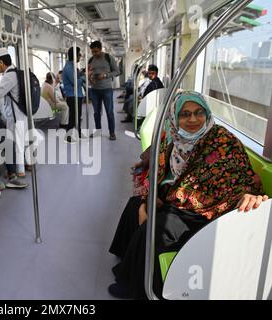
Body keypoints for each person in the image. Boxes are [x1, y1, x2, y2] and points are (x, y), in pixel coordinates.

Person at [108, 91, 268, 299]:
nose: (192, 119)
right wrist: (150, 197)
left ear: (207, 114)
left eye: (199, 112)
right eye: (185, 114)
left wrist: (250, 195)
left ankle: (135, 285)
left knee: (158, 225)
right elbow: (160, 165)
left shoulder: (223, 141)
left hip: (205, 213)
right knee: (134, 204)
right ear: (175, 118)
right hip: (177, 199)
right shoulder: (175, 138)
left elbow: (241, 180)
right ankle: (128, 259)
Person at [0, 47, 34, 183]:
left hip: (16, 117)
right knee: (23, 141)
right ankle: (28, 163)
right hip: (21, 114)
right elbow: (4, 91)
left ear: (2, 62)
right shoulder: (15, 73)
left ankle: (20, 171)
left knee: (17, 144)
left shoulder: (9, 75)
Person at [88, 41, 120, 140]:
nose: (95, 54)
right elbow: (88, 72)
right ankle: (98, 132)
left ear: (101, 49)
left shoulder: (108, 57)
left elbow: (117, 71)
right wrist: (90, 78)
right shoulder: (91, 60)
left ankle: (112, 133)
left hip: (107, 89)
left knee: (109, 112)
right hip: (94, 90)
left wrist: (105, 75)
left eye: (96, 51)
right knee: (96, 113)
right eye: (93, 52)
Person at [62, 46, 86, 144]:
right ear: (75, 55)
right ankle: (68, 136)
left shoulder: (72, 66)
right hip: (72, 96)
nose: (80, 56)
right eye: (79, 54)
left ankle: (79, 133)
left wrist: (81, 73)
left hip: (77, 95)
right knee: (73, 116)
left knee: (78, 115)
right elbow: (75, 82)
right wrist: (84, 77)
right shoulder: (68, 67)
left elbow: (76, 76)